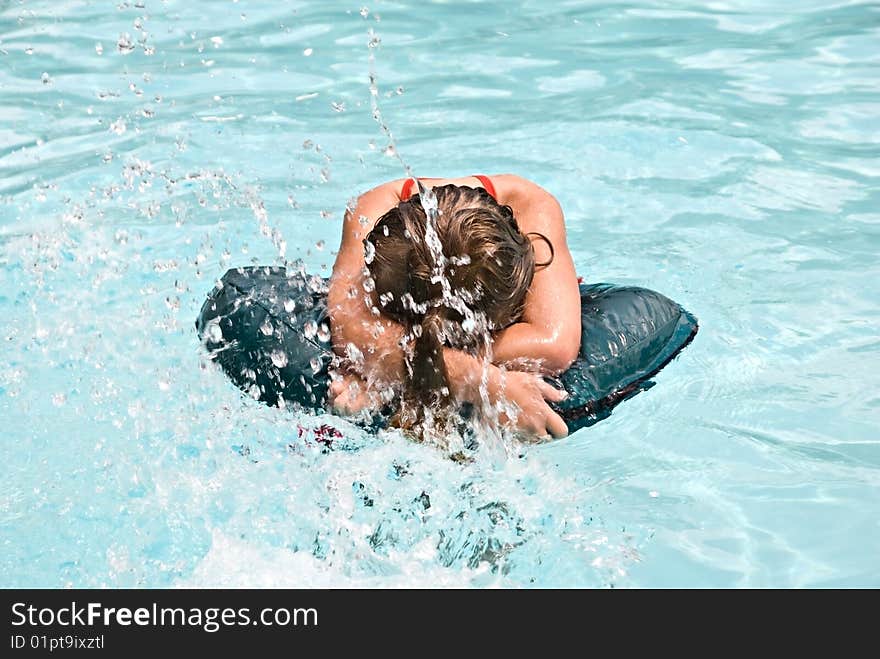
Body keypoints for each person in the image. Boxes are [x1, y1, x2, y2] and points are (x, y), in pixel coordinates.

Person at [326, 174, 581, 441]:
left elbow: (555, 345)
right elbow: (353, 334)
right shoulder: (369, 212)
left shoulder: (533, 209)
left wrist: (386, 369)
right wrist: (486, 382)